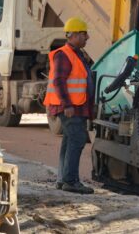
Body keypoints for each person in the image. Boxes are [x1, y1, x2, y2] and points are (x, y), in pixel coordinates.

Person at [44, 17, 95, 194]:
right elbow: (59, 80)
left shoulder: (77, 54)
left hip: (77, 105)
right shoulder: (63, 54)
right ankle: (70, 181)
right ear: (72, 35)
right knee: (78, 139)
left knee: (68, 140)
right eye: (83, 34)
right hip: (69, 106)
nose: (87, 37)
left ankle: (62, 179)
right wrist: (67, 104)